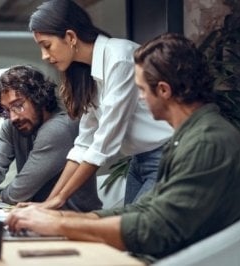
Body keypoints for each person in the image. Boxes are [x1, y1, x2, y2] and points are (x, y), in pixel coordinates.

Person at [5, 33, 240, 263]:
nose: (139, 98)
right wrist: (61, 218)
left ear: (164, 90)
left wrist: (59, 227)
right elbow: (145, 209)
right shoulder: (188, 137)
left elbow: (153, 229)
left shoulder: (206, 142)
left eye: (141, 90)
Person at [20, 0, 173, 209]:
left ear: (71, 37)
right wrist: (48, 204)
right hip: (138, 161)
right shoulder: (87, 71)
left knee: (134, 232)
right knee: (125, 234)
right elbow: (84, 144)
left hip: (166, 158)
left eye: (47, 46)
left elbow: (103, 143)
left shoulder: (120, 58)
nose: (45, 56)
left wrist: (59, 199)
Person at [0, 65, 102, 211]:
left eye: (18, 106)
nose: (13, 117)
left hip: (76, 221)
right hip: (39, 218)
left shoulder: (58, 129)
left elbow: (20, 191)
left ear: (39, 97)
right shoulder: (13, 126)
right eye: (7, 110)